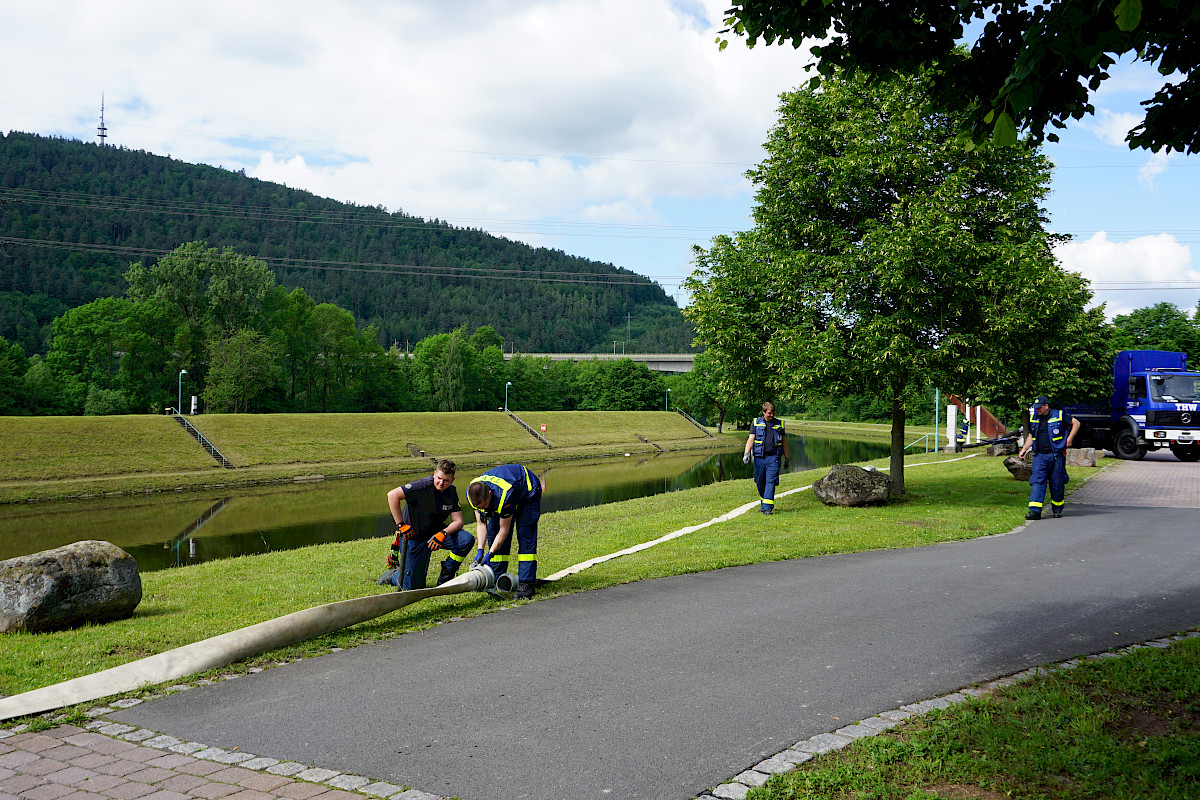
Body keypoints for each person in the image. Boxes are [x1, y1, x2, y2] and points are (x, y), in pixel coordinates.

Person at [382, 460, 472, 590]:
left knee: (466, 540)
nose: (441, 483)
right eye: (439, 478)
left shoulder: (451, 491)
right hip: (414, 537)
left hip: (436, 534)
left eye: (446, 480)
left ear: (452, 480)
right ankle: (395, 575)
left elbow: (458, 521)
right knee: (412, 587)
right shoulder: (422, 486)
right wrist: (401, 525)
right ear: (434, 474)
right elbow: (392, 495)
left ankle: (446, 574)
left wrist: (443, 533)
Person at [465, 463, 542, 599]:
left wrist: (490, 553)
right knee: (492, 532)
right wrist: (480, 551)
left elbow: (504, 529)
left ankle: (526, 584)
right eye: (479, 507)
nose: (483, 509)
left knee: (525, 534)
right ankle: (496, 577)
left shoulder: (504, 497)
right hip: (505, 492)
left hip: (527, 491)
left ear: (490, 494)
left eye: (484, 506)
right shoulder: (473, 494)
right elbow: (481, 524)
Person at [1018, 396, 1080, 520]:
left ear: (1046, 406)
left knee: (1057, 483)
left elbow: (1076, 423)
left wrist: (1069, 439)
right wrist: (1024, 448)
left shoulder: (1059, 415)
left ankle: (1057, 508)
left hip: (1056, 455)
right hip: (1039, 455)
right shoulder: (1034, 418)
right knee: (1037, 482)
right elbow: (1031, 434)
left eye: (1039, 408)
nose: (1037, 410)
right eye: (1035, 408)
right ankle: (1034, 511)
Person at [743, 401, 790, 515]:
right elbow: (751, 439)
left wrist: (787, 457)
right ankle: (764, 503)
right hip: (759, 458)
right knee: (760, 482)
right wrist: (746, 453)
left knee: (771, 481)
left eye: (773, 412)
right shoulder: (756, 423)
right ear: (763, 412)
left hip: (774, 458)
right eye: (769, 413)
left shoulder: (780, 424)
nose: (772, 415)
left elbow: (784, 442)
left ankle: (767, 508)